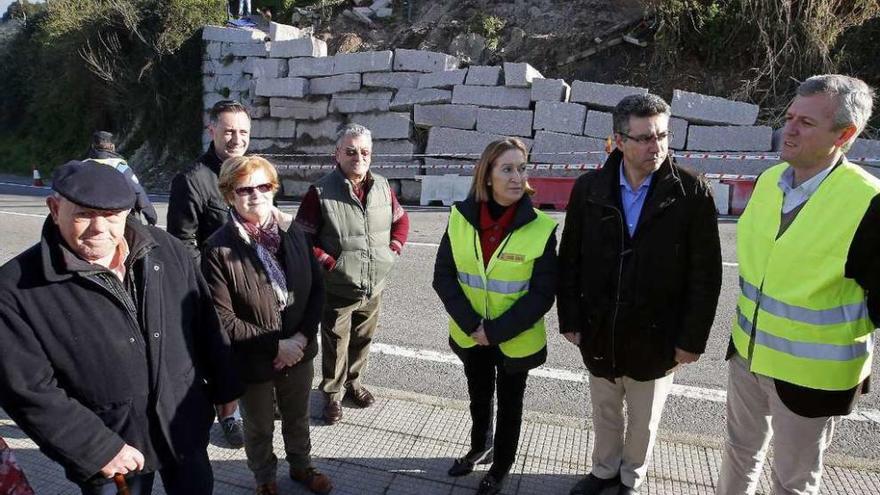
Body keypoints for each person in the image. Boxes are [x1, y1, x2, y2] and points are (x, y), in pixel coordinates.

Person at [0, 161, 242, 495]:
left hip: (183, 424)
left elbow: (204, 323)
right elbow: (26, 388)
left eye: (113, 215)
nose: (100, 228)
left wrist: (226, 388)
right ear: (55, 209)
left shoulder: (167, 250)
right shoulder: (14, 290)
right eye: (84, 214)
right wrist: (96, 448)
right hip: (110, 446)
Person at [716, 75, 880, 495]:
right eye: (789, 117)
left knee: (792, 481)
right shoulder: (771, 181)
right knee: (739, 451)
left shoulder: (868, 202)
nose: (787, 129)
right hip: (747, 356)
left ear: (845, 134)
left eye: (806, 123)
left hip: (812, 374)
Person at [558, 94, 722, 495]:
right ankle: (604, 470)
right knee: (605, 409)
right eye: (645, 138)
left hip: (659, 331)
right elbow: (570, 259)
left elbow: (707, 274)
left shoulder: (691, 191)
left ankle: (632, 476)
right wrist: (571, 319)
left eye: (663, 136)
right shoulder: (590, 189)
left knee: (646, 416)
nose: (657, 147)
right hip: (600, 325)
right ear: (618, 141)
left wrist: (691, 340)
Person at [433, 138, 558, 495]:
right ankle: (479, 446)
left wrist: (495, 331)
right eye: (507, 168)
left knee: (510, 404)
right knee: (479, 395)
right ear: (487, 175)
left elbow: (542, 294)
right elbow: (443, 276)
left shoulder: (541, 227)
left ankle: (501, 465)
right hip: (471, 334)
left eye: (522, 168)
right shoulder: (460, 216)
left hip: (514, 338)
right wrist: (474, 326)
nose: (518, 177)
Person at [202, 156, 333, 495]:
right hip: (253, 358)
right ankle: (264, 479)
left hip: (299, 350)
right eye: (244, 189)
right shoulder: (218, 248)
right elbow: (223, 318)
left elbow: (317, 289)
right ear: (230, 195)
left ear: (273, 189)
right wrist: (277, 346)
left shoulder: (295, 231)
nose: (255, 195)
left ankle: (302, 467)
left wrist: (301, 338)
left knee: (297, 417)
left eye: (263, 186)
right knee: (258, 425)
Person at [295, 124, 409, 425]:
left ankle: (354, 385)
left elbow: (401, 221)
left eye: (364, 151)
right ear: (337, 154)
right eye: (351, 151)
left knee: (363, 339)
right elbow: (302, 240)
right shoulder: (319, 192)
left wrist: (393, 249)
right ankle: (331, 396)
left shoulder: (383, 187)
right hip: (338, 288)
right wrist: (331, 264)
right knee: (335, 343)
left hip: (374, 285)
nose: (358, 157)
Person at [167, 99, 251, 447]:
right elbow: (180, 242)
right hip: (215, 287)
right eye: (228, 130)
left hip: (253, 280)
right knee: (221, 353)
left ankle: (252, 402)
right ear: (211, 130)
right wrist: (209, 284)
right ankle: (228, 414)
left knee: (251, 346)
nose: (236, 138)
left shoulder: (253, 171)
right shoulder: (192, 180)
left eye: (243, 131)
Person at [84, 130, 158, 226]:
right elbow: (137, 191)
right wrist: (151, 216)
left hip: (88, 218)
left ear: (93, 146)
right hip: (117, 218)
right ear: (112, 147)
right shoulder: (119, 166)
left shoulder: (82, 166)